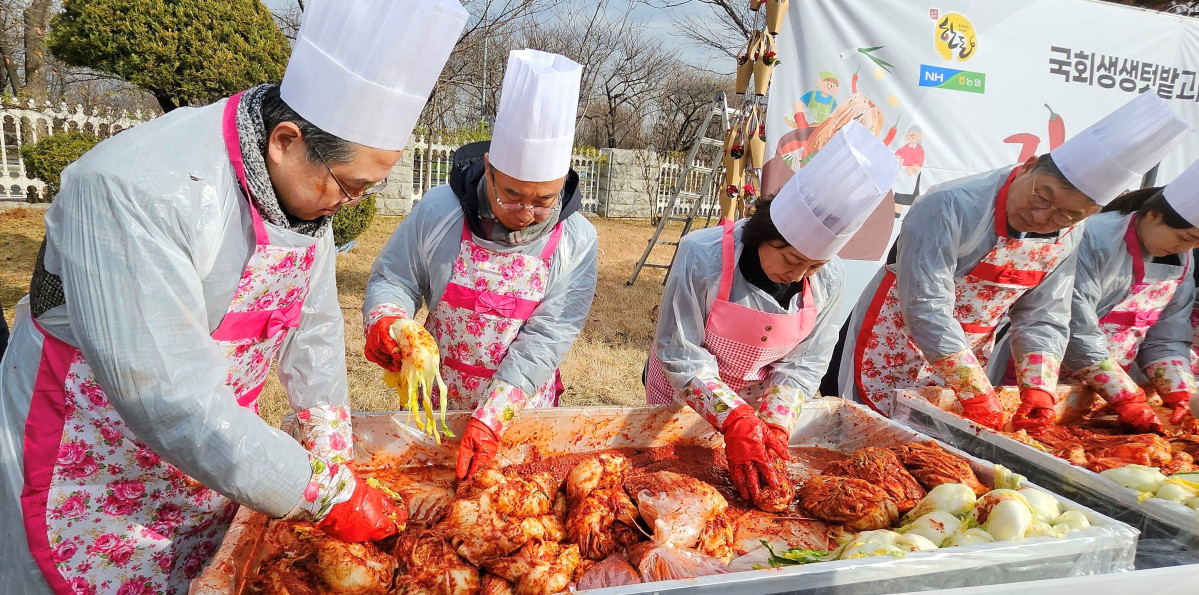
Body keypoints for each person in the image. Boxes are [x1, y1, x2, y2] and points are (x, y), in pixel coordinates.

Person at [0, 1, 468, 592]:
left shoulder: (301, 190)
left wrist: (331, 445)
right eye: (348, 187)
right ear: (285, 140)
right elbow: (167, 396)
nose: (348, 206)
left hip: (213, 452)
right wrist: (325, 493)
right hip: (92, 451)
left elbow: (314, 324)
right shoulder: (135, 191)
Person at [839, 92, 1192, 430]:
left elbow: (1043, 315)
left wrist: (1038, 387)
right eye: (1042, 197)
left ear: (1091, 214)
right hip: (896, 338)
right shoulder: (950, 204)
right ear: (1029, 166)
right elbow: (926, 305)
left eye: (1066, 215)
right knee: (872, 434)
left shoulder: (1072, 233)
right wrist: (975, 392)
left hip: (969, 355)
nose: (1042, 219)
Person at [363, 50, 598, 481]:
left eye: (544, 200)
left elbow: (550, 334)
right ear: (488, 168)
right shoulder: (440, 211)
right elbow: (396, 277)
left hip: (519, 402)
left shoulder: (577, 240)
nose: (526, 212)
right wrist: (388, 320)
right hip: (436, 395)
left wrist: (493, 413)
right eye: (511, 195)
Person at [647, 122, 898, 502]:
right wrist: (734, 419)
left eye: (813, 266)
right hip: (684, 396)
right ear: (764, 233)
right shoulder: (702, 255)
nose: (798, 274)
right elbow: (680, 352)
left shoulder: (830, 277)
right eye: (791, 258)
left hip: (758, 404)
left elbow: (805, 363)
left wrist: (775, 424)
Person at [1050, 161, 1199, 432]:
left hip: (1106, 386)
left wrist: (1179, 392)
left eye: (1196, 243)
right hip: (1052, 373)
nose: (1186, 247)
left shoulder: (1183, 259)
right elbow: (1073, 323)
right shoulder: (1092, 237)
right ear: (1152, 215)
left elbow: (1167, 336)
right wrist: (1125, 396)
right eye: (1185, 237)